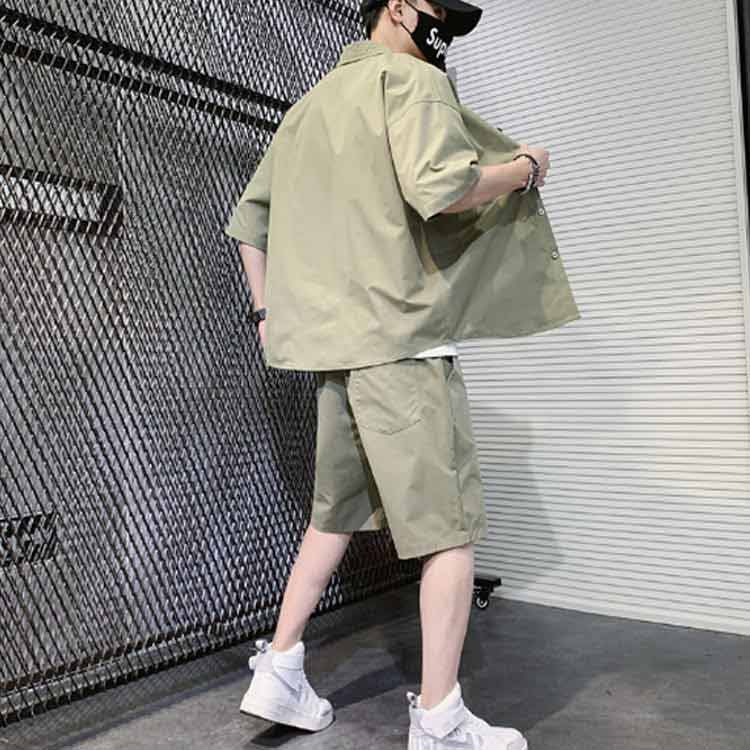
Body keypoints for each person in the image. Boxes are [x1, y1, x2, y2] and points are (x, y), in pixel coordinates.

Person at [225, 2, 578, 748]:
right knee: (449, 531)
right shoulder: (413, 81)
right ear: (395, 7)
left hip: (338, 353)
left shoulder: (308, 110)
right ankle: (440, 720)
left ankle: (280, 668)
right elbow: (441, 186)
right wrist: (524, 169)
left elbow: (251, 224)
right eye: (439, 10)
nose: (444, 25)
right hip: (403, 346)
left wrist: (265, 316)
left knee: (333, 515)